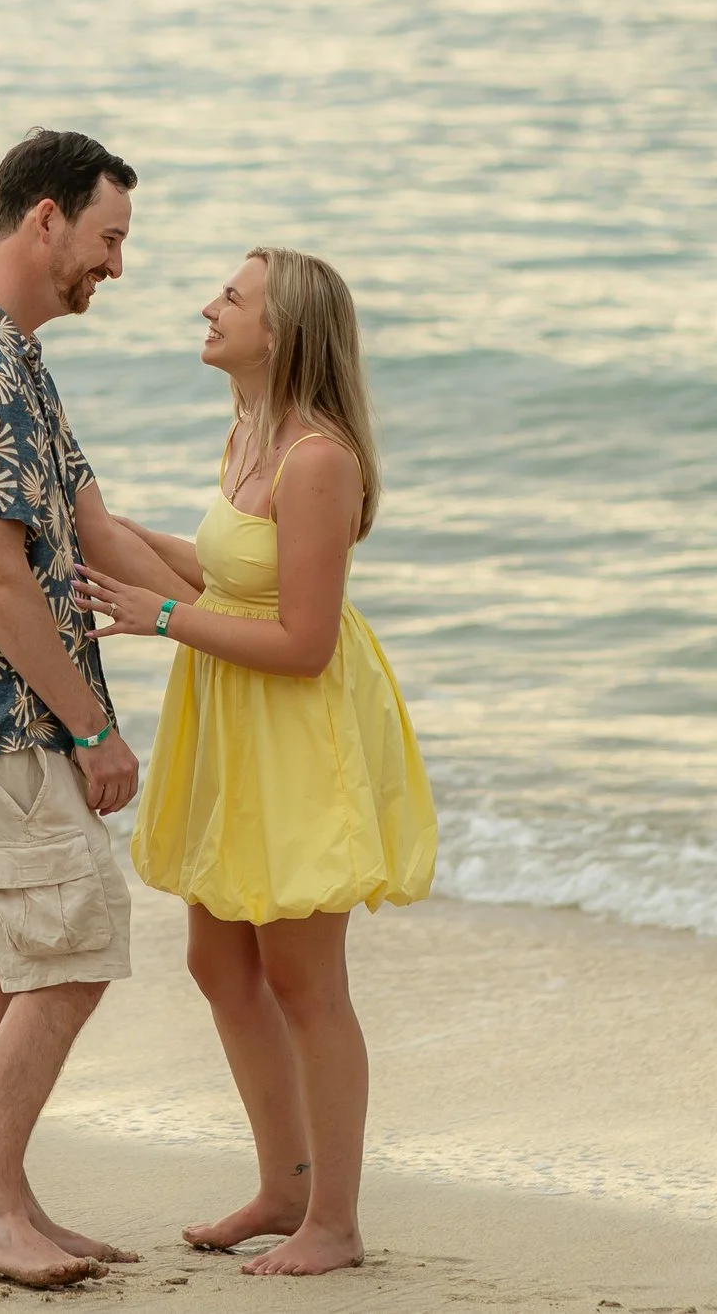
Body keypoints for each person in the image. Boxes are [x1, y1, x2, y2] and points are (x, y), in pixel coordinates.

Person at [74, 246, 438, 1277]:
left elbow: (305, 638)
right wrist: (113, 535)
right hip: (234, 713)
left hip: (294, 722)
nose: (206, 304)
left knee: (302, 976)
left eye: (229, 297)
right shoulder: (247, 430)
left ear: (280, 333)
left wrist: (162, 616)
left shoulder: (316, 457)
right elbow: (231, 570)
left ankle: (335, 1218)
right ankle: (282, 1186)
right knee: (218, 960)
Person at [0, 128, 185, 1288]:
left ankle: (4, 1201)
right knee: (71, 951)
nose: (115, 265)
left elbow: (99, 533)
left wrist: (250, 616)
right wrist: (97, 731)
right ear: (45, 219)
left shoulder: (11, 358)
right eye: (108, 238)